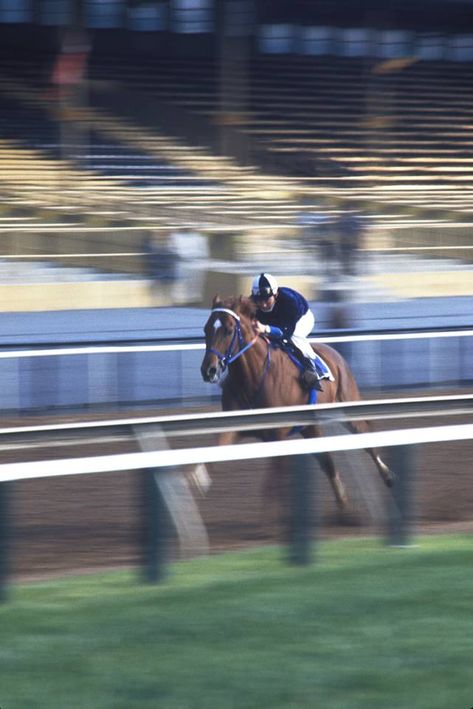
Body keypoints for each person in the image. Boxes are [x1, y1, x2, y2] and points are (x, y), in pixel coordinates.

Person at [250, 273, 333, 391]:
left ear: (276, 294)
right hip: (276, 322)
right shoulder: (252, 303)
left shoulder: (289, 302)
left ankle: (312, 368)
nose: (263, 304)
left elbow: (286, 332)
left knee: (293, 337)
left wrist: (265, 329)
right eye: (259, 300)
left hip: (301, 320)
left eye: (267, 299)